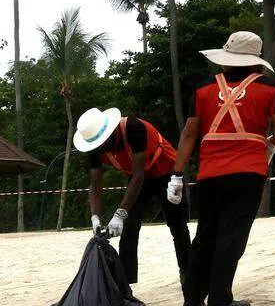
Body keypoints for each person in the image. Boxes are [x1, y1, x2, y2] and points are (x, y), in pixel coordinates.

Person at [171, 31, 275, 306]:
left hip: (210, 172)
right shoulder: (271, 88)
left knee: (206, 233)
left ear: (226, 59)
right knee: (232, 234)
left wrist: (177, 174)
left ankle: (192, 299)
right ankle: (220, 298)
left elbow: (189, 134)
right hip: (248, 171)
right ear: (255, 61)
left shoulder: (203, 89)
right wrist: (270, 144)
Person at [73, 107, 191, 286]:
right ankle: (125, 284)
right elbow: (95, 183)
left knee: (177, 224)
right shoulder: (94, 147)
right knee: (128, 228)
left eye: (102, 143)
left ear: (111, 132)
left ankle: (188, 273)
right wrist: (95, 217)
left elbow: (138, 176)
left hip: (166, 171)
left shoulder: (134, 129)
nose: (100, 149)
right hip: (138, 175)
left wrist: (119, 214)